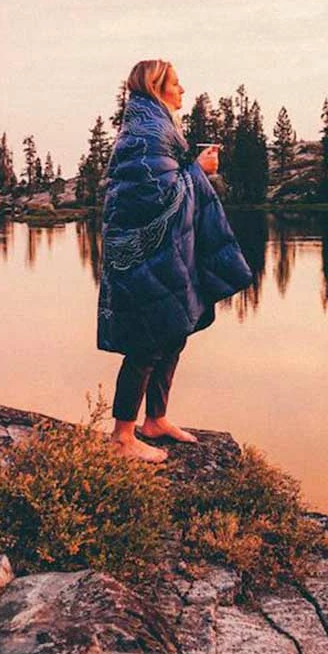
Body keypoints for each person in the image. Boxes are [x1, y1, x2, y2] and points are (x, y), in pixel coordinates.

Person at [97, 59, 253, 461]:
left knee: (172, 333)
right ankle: (122, 437)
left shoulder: (157, 127)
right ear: (156, 87)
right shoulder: (145, 133)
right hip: (143, 254)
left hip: (167, 252)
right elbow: (153, 195)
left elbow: (170, 182)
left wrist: (193, 170)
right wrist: (198, 170)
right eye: (176, 83)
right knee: (146, 341)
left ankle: (156, 419)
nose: (182, 90)